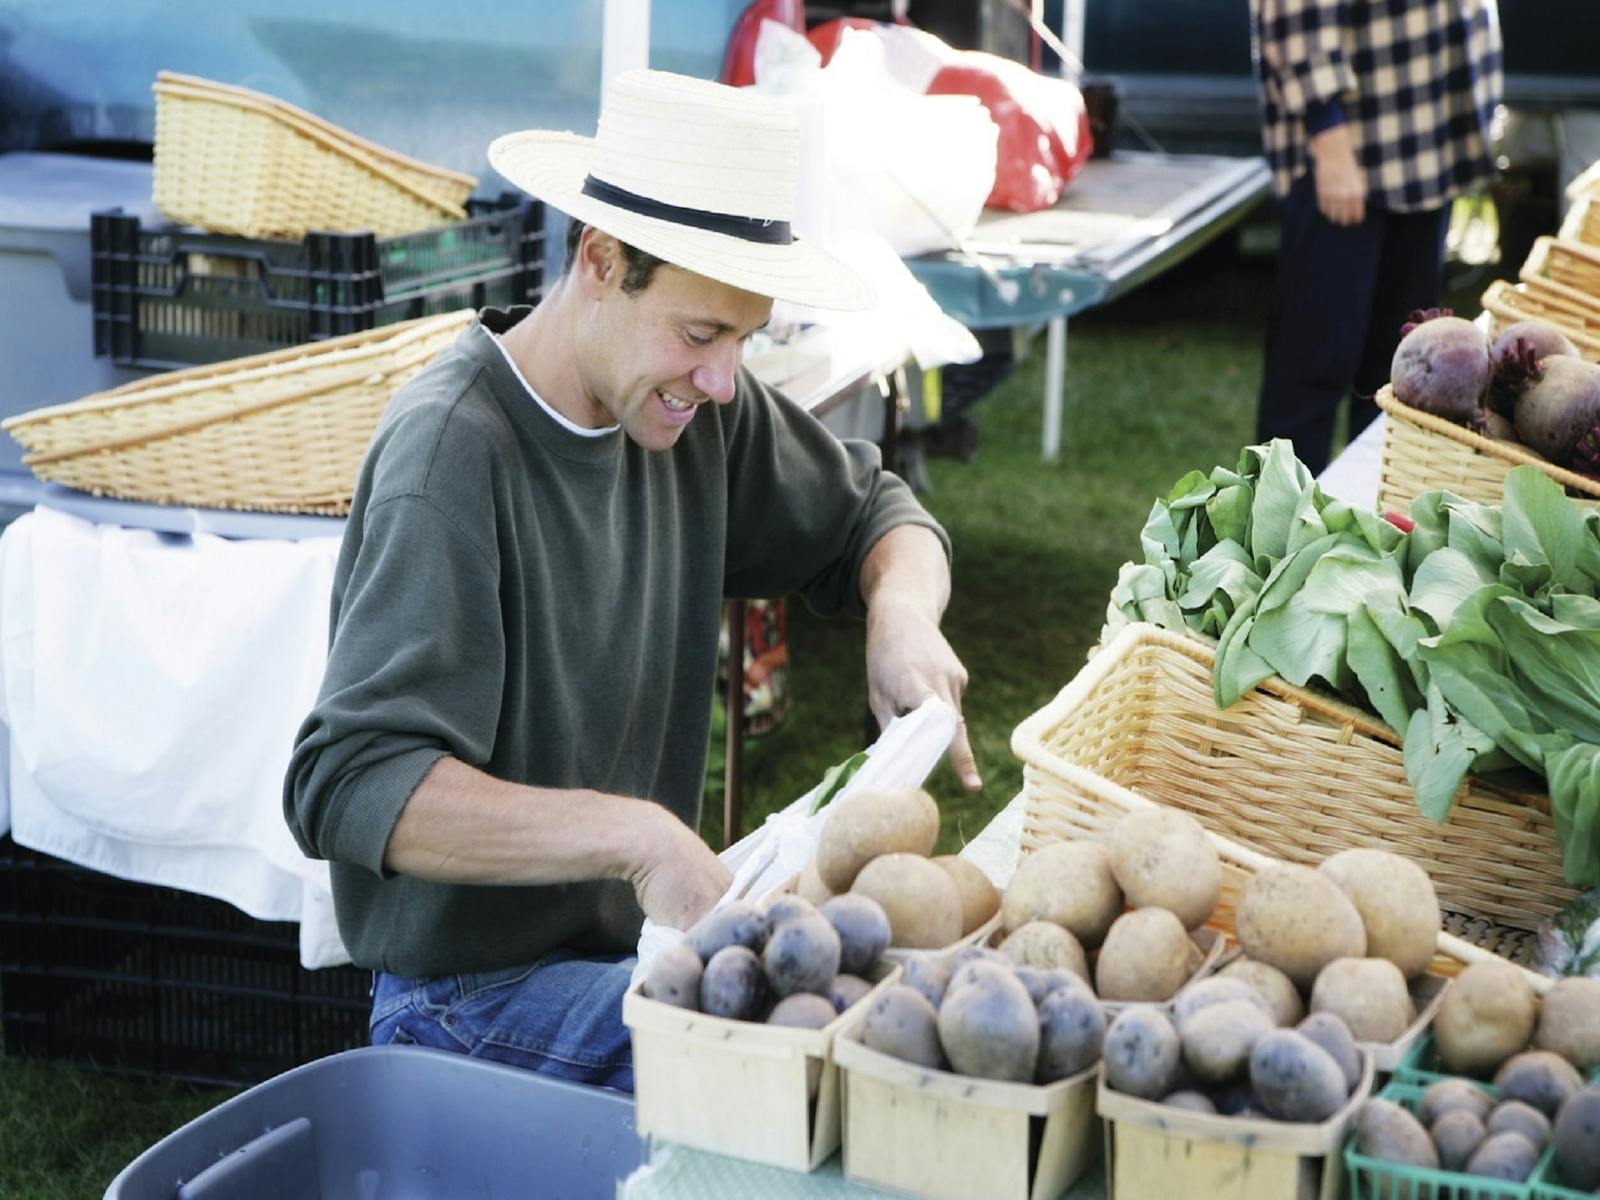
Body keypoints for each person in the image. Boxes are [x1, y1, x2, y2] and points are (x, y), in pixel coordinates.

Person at [282, 68, 981, 1093]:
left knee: (886, 1024)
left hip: (624, 958)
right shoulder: (450, 455)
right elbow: (348, 783)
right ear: (600, 260)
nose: (723, 378)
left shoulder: (697, 409)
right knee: (817, 1069)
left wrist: (903, 613)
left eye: (744, 338)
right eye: (701, 335)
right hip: (462, 1003)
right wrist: (636, 838)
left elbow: (882, 517)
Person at [1251, 0, 1503, 476]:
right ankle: (1275, 540)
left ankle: (1375, 529)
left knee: (1399, 377)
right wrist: (1326, 134)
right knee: (1314, 370)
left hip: (1423, 146)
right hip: (1348, 152)